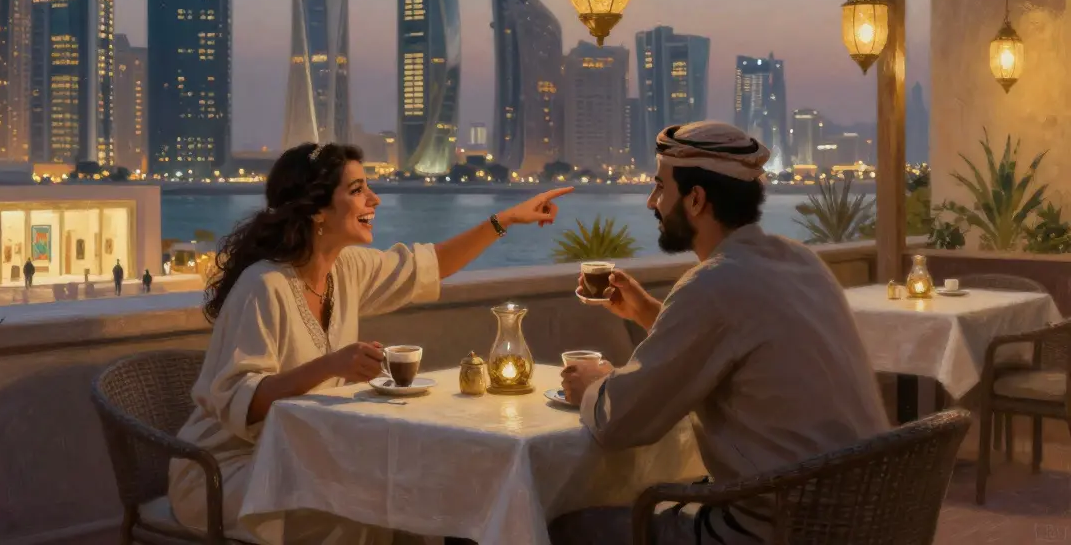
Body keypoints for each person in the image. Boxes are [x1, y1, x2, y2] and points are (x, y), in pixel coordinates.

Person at [167, 142, 571, 544]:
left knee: (409, 496)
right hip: (226, 472)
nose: (374, 199)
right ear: (317, 209)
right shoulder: (264, 286)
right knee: (365, 506)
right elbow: (243, 402)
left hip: (304, 458)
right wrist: (330, 366)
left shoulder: (346, 269)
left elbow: (429, 265)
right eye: (358, 189)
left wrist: (506, 219)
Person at [551, 121, 888, 545]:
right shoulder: (801, 262)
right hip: (869, 518)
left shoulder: (713, 284)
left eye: (659, 187)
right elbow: (739, 347)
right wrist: (646, 311)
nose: (652, 202)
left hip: (777, 530)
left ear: (695, 199)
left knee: (567, 529)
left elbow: (623, 422)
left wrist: (592, 386)